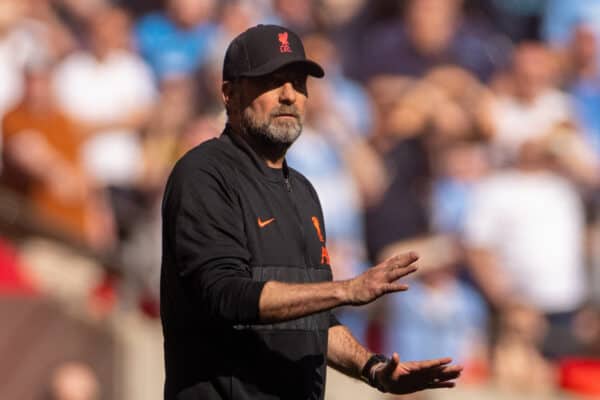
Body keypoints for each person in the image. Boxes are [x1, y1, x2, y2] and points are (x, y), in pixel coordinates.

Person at [160, 24, 462, 400]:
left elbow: (310, 316)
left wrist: (375, 370)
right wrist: (346, 290)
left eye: (299, 83)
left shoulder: (302, 192)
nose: (290, 96)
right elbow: (226, 295)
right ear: (229, 94)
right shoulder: (204, 174)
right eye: (272, 81)